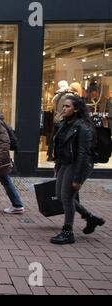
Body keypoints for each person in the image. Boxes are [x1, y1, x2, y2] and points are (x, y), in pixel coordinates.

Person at [50, 95, 105, 245]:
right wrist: (58, 164)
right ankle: (90, 218)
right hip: (65, 163)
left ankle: (68, 232)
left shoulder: (83, 127)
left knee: (67, 197)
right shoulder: (65, 123)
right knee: (59, 195)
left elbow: (83, 154)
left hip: (78, 164)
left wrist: (78, 178)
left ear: (76, 109)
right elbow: (60, 145)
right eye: (63, 106)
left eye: (67, 106)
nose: (64, 108)